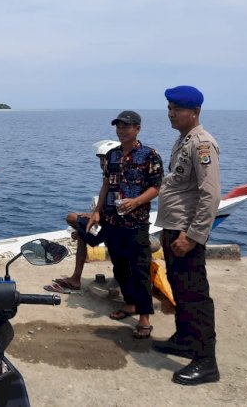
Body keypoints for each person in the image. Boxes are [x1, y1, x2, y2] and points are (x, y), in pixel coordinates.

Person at [152, 86, 221, 385]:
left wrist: (192, 236)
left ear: (194, 112)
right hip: (172, 227)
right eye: (169, 107)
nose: (170, 113)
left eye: (176, 109)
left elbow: (210, 194)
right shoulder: (183, 141)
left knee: (194, 295)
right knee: (179, 289)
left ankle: (206, 361)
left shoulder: (203, 144)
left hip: (185, 233)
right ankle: (184, 338)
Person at [86, 111, 163, 340]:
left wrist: (136, 202)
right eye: (118, 126)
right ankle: (129, 304)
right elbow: (106, 185)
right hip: (112, 220)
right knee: (119, 266)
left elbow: (156, 187)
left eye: (126, 126)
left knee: (140, 269)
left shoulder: (150, 155)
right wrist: (97, 211)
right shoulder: (112, 155)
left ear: (137, 128)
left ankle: (144, 318)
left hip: (136, 222)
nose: (121, 130)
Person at [48, 139, 120, 293]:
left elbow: (116, 208)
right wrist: (93, 215)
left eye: (106, 158)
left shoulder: (118, 178)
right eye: (101, 159)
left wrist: (93, 216)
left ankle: (76, 278)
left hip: (115, 226)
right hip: (108, 223)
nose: (103, 162)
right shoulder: (109, 176)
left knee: (73, 218)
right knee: (80, 229)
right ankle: (75, 278)